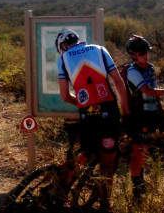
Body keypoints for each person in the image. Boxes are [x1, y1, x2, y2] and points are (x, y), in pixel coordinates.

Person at [56, 28, 129, 208]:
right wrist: (125, 110)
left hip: (87, 115)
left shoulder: (63, 59)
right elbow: (118, 82)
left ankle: (60, 192)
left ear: (63, 45)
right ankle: (105, 205)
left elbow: (65, 96)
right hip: (108, 113)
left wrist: (84, 104)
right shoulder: (100, 49)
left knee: (84, 153)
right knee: (107, 163)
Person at [123, 35, 164, 201]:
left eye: (146, 52)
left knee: (144, 149)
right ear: (133, 55)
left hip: (151, 114)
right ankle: (137, 186)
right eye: (141, 53)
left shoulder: (150, 68)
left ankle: (141, 182)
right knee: (138, 150)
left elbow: (153, 91)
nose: (145, 56)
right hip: (139, 117)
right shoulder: (133, 71)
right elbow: (148, 90)